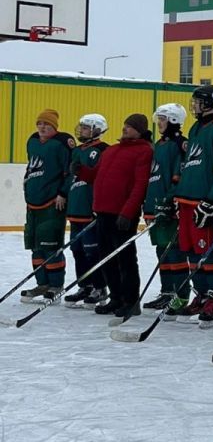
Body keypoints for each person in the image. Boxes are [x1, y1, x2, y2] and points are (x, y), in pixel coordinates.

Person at [77, 113, 154, 323]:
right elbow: (96, 175)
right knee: (106, 257)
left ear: (140, 130)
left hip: (122, 214)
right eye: (125, 125)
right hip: (102, 211)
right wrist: (82, 171)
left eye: (130, 127)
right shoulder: (112, 150)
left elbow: (140, 184)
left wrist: (128, 211)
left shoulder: (144, 150)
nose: (125, 129)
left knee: (125, 259)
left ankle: (130, 300)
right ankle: (116, 297)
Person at [172, 86, 213, 327]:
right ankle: (200, 294)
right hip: (187, 200)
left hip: (204, 202)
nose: (194, 105)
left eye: (198, 101)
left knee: (207, 250)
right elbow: (190, 164)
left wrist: (211, 201)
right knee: (190, 250)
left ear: (210, 103)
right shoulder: (195, 127)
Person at [21, 109, 75, 302]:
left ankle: (56, 285)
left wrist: (63, 192)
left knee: (50, 244)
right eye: (40, 124)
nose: (42, 127)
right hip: (32, 204)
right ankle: (42, 283)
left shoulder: (62, 143)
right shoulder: (33, 141)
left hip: (52, 203)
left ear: (55, 126)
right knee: (35, 246)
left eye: (47, 124)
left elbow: (70, 171)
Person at [142, 103, 189, 319]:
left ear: (173, 120)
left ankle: (180, 294)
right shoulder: (158, 145)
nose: (159, 123)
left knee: (174, 251)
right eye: (158, 119)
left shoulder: (180, 144)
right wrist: (149, 204)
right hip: (155, 205)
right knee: (162, 251)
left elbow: (179, 175)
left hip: (169, 208)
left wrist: (170, 200)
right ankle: (167, 291)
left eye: (163, 119)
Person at [64, 114, 109, 308]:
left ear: (96, 129)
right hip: (75, 207)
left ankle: (100, 287)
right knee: (77, 251)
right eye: (80, 126)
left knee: (93, 251)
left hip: (90, 210)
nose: (80, 130)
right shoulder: (77, 151)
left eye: (84, 127)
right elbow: (70, 178)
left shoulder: (102, 149)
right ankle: (85, 285)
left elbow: (103, 178)